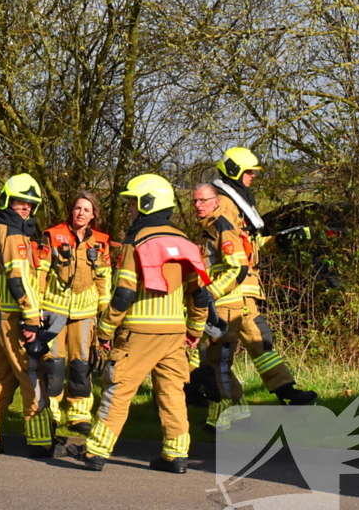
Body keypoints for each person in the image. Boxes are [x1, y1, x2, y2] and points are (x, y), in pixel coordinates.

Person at [68, 174, 209, 473]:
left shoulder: (137, 242)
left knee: (118, 389)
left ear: (147, 203)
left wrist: (105, 330)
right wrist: (195, 330)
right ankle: (176, 455)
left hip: (140, 332)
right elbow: (200, 295)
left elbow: (124, 294)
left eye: (133, 203)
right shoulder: (186, 243)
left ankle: (95, 452)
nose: (130, 209)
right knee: (172, 394)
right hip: (175, 332)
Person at [213, 147, 317, 406]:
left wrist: (280, 242)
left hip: (243, 289)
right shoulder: (224, 204)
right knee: (218, 352)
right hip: (229, 289)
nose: (253, 176)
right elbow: (229, 247)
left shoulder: (238, 201)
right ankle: (220, 401)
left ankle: (286, 391)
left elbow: (249, 245)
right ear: (234, 171)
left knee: (261, 341)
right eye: (248, 172)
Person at [0, 174, 54, 458]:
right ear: (7, 200)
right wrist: (32, 319)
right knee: (32, 374)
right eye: (20, 202)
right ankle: (40, 439)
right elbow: (18, 280)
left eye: (30, 204)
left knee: (3, 376)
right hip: (15, 317)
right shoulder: (12, 233)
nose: (25, 208)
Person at [38, 191, 112, 434]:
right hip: (54, 309)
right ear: (71, 211)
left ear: (93, 215)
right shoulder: (53, 235)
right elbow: (41, 272)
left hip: (85, 312)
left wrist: (104, 312)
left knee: (81, 365)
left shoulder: (101, 242)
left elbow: (104, 278)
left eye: (86, 210)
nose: (81, 213)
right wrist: (37, 306)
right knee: (54, 365)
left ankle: (79, 415)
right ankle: (51, 413)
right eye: (78, 208)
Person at [192, 183, 253, 432]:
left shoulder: (222, 227)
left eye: (203, 201)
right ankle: (237, 408)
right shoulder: (205, 229)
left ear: (216, 202)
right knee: (210, 362)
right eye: (195, 201)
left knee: (218, 362)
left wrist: (210, 293)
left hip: (225, 307)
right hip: (212, 307)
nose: (198, 205)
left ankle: (226, 413)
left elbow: (238, 268)